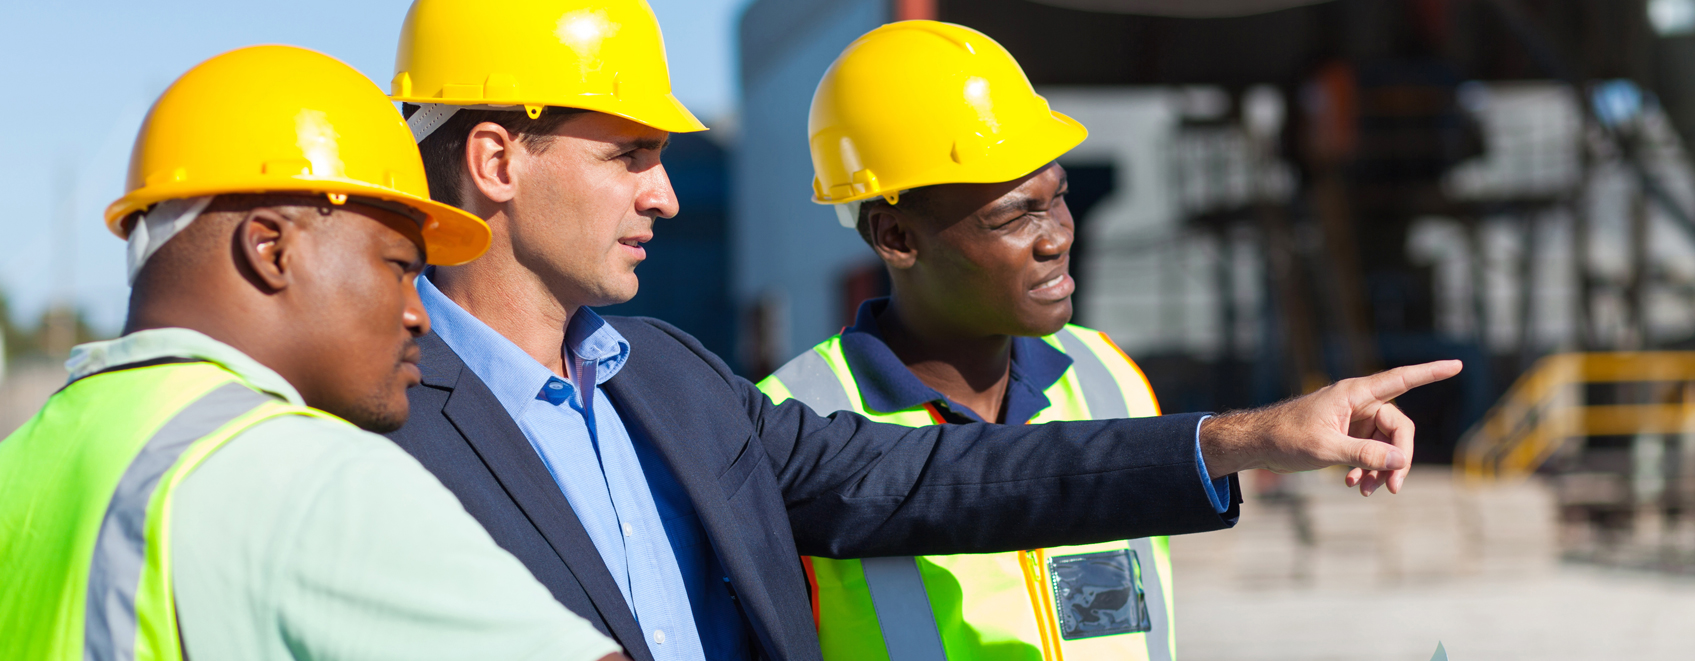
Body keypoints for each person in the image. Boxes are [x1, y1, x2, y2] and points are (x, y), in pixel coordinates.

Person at [382, 2, 1461, 660]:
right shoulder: (375, 433)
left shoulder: (666, 381)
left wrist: (1249, 436)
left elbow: (949, 480)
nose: (667, 196)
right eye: (632, 156)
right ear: (495, 162)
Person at [0, 45, 626, 661]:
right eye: (397, 267)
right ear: (271, 249)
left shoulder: (25, 461)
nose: (417, 314)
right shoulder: (309, 478)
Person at [757, 20, 1228, 661]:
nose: (1056, 236)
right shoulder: (793, 421)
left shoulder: (1104, 374)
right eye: (1015, 215)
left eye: (1057, 198)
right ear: (896, 236)